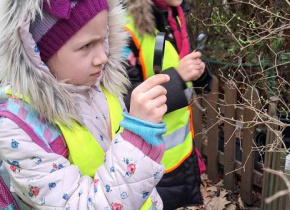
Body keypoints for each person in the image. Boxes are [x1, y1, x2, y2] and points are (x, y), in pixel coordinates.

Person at [0, 0, 171, 209]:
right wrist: (138, 136)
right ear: (39, 53)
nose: (103, 57)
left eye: (103, 39)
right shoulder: (19, 131)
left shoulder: (100, 85)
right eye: (86, 46)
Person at [123, 0, 213, 209]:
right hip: (148, 163)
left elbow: (172, 67)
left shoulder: (172, 17)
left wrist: (198, 75)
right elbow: (123, 104)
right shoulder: (125, 31)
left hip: (179, 154)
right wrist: (179, 76)